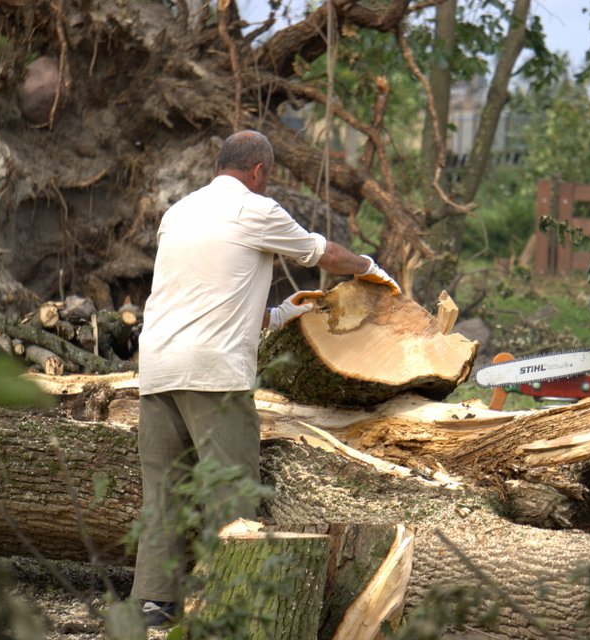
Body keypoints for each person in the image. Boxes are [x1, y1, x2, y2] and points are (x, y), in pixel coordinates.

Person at [133, 130, 400, 626]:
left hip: (157, 368)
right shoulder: (255, 209)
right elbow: (323, 254)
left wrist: (277, 315)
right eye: (268, 176)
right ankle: (230, 606)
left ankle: (153, 605)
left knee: (164, 493)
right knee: (232, 495)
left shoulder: (179, 213)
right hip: (214, 373)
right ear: (259, 171)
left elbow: (206, 293)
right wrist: (370, 268)